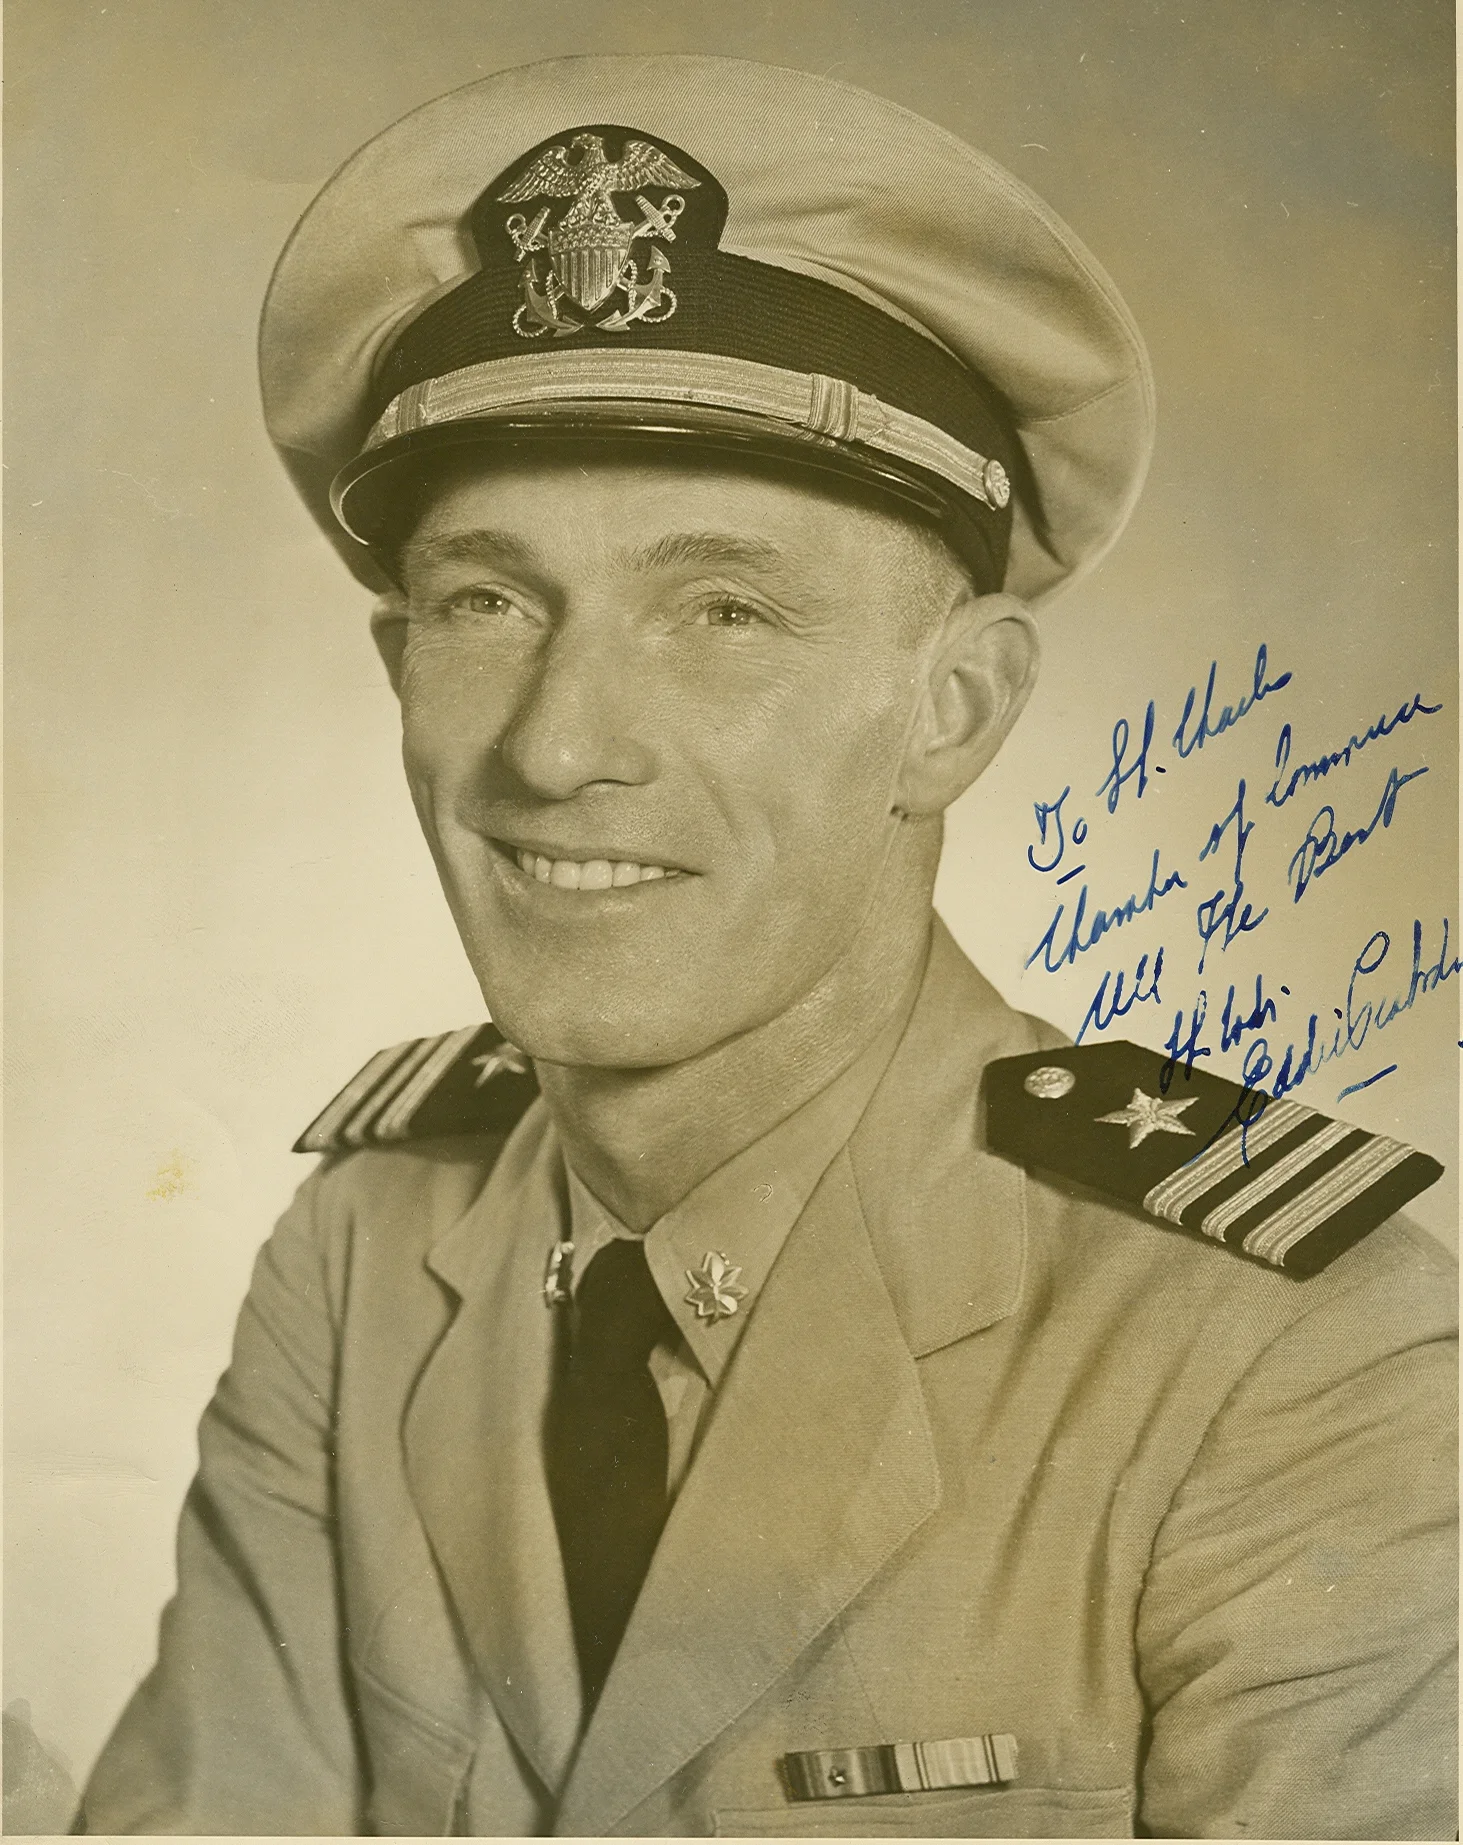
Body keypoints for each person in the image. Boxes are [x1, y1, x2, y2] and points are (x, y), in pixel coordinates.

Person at [76, 55, 1455, 1839]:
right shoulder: (363, 1251)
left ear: (951, 711)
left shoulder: (1295, 1351)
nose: (559, 747)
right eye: (486, 602)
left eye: (722, 610)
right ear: (397, 667)